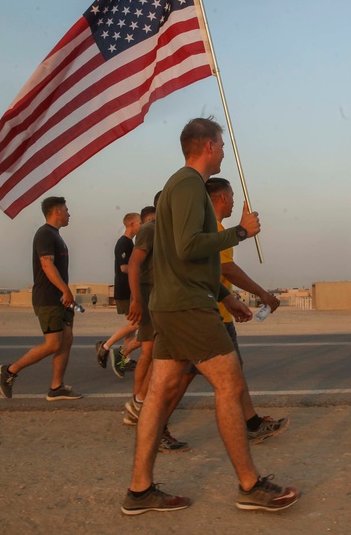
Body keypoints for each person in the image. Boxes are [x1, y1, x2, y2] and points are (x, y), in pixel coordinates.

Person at [121, 117, 300, 515]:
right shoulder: (187, 185)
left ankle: (139, 491)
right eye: (221, 144)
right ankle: (250, 485)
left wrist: (223, 294)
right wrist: (240, 232)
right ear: (207, 146)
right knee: (230, 383)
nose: (224, 150)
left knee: (160, 392)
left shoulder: (176, 188)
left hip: (175, 302)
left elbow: (177, 258)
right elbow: (188, 248)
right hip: (187, 307)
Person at [206, 176, 290, 442]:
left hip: (218, 312)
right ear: (222, 198)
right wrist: (262, 293)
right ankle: (246, 430)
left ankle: (252, 423)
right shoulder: (216, 231)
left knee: (185, 379)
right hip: (212, 317)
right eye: (231, 196)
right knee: (227, 376)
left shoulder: (213, 229)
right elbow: (226, 269)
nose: (232, 201)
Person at [0, 196, 81, 401]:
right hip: (49, 298)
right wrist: (65, 290)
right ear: (56, 211)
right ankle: (11, 370)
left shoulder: (56, 235)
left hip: (60, 299)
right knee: (53, 343)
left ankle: (56, 387)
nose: (69, 213)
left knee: (66, 340)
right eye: (66, 209)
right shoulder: (45, 234)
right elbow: (46, 264)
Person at [123, 200, 189, 452]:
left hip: (165, 301)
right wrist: (137, 299)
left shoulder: (174, 232)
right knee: (154, 356)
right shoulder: (150, 230)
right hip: (151, 300)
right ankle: (140, 405)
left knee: (158, 357)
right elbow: (134, 264)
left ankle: (140, 406)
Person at [95, 212, 142, 377]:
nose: (141, 226)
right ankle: (105, 347)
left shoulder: (130, 243)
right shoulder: (124, 243)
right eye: (140, 223)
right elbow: (124, 268)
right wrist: (142, 273)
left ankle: (125, 359)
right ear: (131, 224)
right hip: (125, 290)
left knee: (131, 330)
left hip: (129, 290)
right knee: (135, 325)